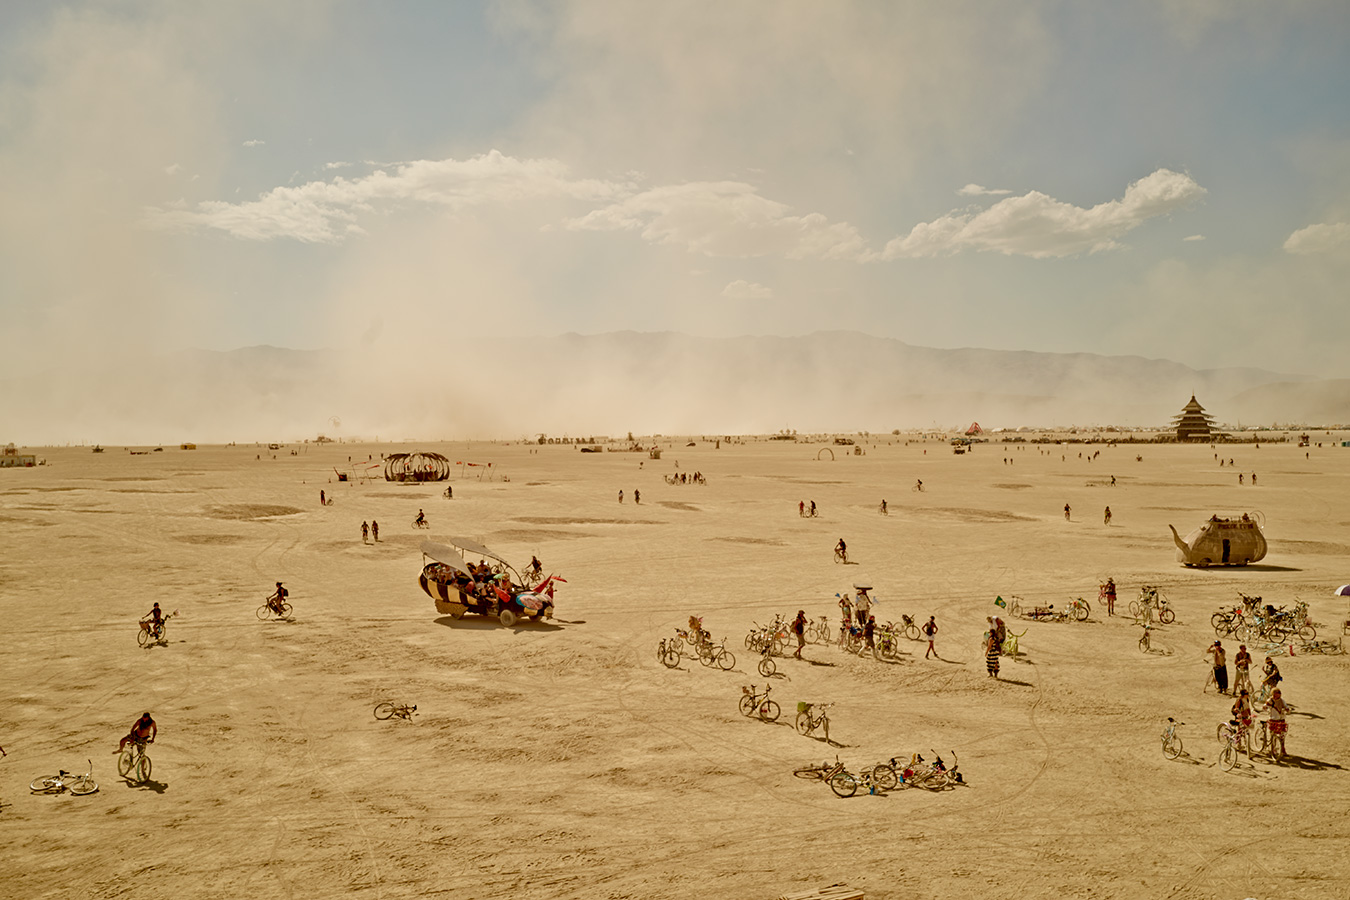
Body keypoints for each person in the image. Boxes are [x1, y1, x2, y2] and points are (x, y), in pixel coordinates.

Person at [1264, 689, 1288, 757]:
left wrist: (1287, 709)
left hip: (1281, 719)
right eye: (1275, 694)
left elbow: (1286, 706)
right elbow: (1265, 705)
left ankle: (1282, 749)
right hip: (1273, 719)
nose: (1276, 695)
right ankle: (1273, 749)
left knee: (1282, 736)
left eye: (1277, 694)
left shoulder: (1282, 700)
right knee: (1273, 735)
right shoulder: (1270, 700)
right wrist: (1265, 707)